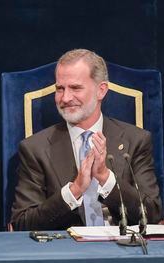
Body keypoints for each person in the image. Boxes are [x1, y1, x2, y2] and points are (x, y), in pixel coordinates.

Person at [11, 49, 162, 231]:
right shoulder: (35, 149)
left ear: (101, 90)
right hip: (66, 254)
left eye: (75, 88)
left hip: (125, 250)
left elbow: (153, 215)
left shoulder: (135, 140)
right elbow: (22, 224)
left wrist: (106, 178)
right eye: (60, 89)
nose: (65, 98)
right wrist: (74, 190)